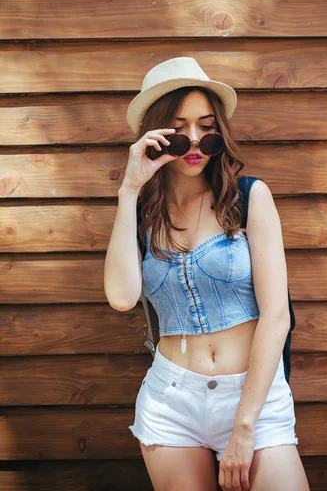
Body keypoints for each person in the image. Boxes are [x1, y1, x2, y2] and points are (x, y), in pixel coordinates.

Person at [104, 57, 310, 491]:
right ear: (157, 135)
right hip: (172, 402)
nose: (194, 139)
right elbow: (122, 297)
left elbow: (276, 317)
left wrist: (245, 426)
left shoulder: (249, 197)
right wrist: (129, 190)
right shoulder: (142, 215)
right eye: (179, 127)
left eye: (206, 124)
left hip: (254, 397)